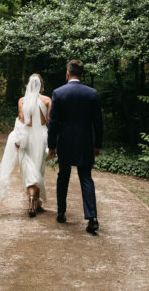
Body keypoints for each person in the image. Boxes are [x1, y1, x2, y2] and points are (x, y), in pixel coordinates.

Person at [48, 60, 103, 234]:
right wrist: (97, 144)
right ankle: (92, 217)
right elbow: (98, 123)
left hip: (65, 142)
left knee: (63, 177)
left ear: (67, 73)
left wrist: (51, 145)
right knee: (86, 178)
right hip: (85, 142)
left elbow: (53, 123)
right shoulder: (92, 93)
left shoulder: (58, 93)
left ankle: (61, 212)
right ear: (82, 74)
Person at [0, 74, 52, 217]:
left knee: (28, 169)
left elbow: (21, 120)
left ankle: (32, 200)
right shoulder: (47, 100)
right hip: (42, 137)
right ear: (41, 86)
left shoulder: (22, 101)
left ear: (28, 85)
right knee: (39, 169)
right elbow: (50, 120)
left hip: (26, 138)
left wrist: (18, 139)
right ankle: (36, 202)